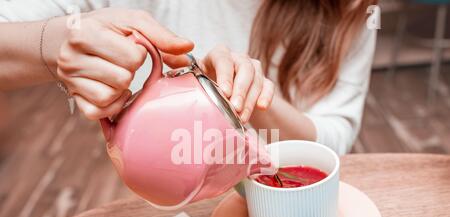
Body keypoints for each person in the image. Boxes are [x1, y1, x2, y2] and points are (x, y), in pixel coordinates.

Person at [0, 0, 377, 155]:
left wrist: (257, 100)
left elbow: (335, 138)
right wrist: (52, 43)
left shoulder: (353, 10)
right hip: (161, 216)